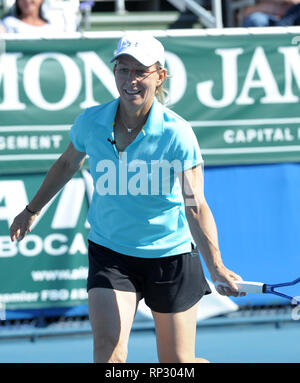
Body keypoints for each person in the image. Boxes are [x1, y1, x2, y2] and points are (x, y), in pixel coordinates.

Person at [9, 33, 245, 363]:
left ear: (160, 76)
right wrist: (32, 210)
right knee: (108, 354)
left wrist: (216, 266)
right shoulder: (91, 121)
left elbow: (195, 205)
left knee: (178, 364)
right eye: (123, 69)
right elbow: (66, 163)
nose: (130, 80)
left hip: (170, 254)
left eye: (141, 71)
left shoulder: (177, 134)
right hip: (112, 253)